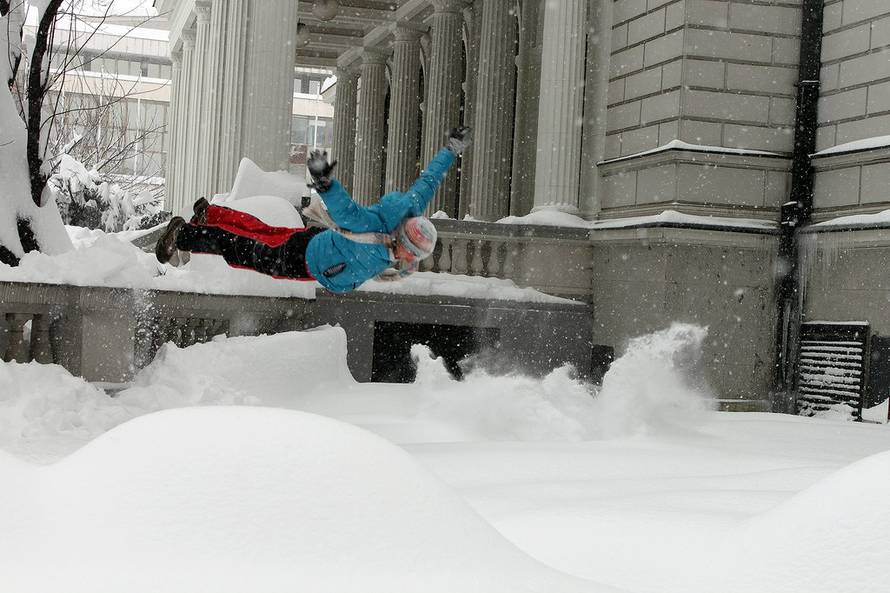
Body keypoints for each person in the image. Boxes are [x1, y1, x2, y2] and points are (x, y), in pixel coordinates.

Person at [155, 126, 473, 293]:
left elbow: (429, 180)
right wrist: (324, 182)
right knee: (238, 249)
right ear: (404, 244)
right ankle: (183, 235)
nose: (408, 261)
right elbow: (346, 210)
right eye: (411, 254)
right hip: (302, 261)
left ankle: (213, 216)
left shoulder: (404, 214)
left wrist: (451, 150)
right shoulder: (373, 234)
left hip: (313, 244)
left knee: (260, 232)